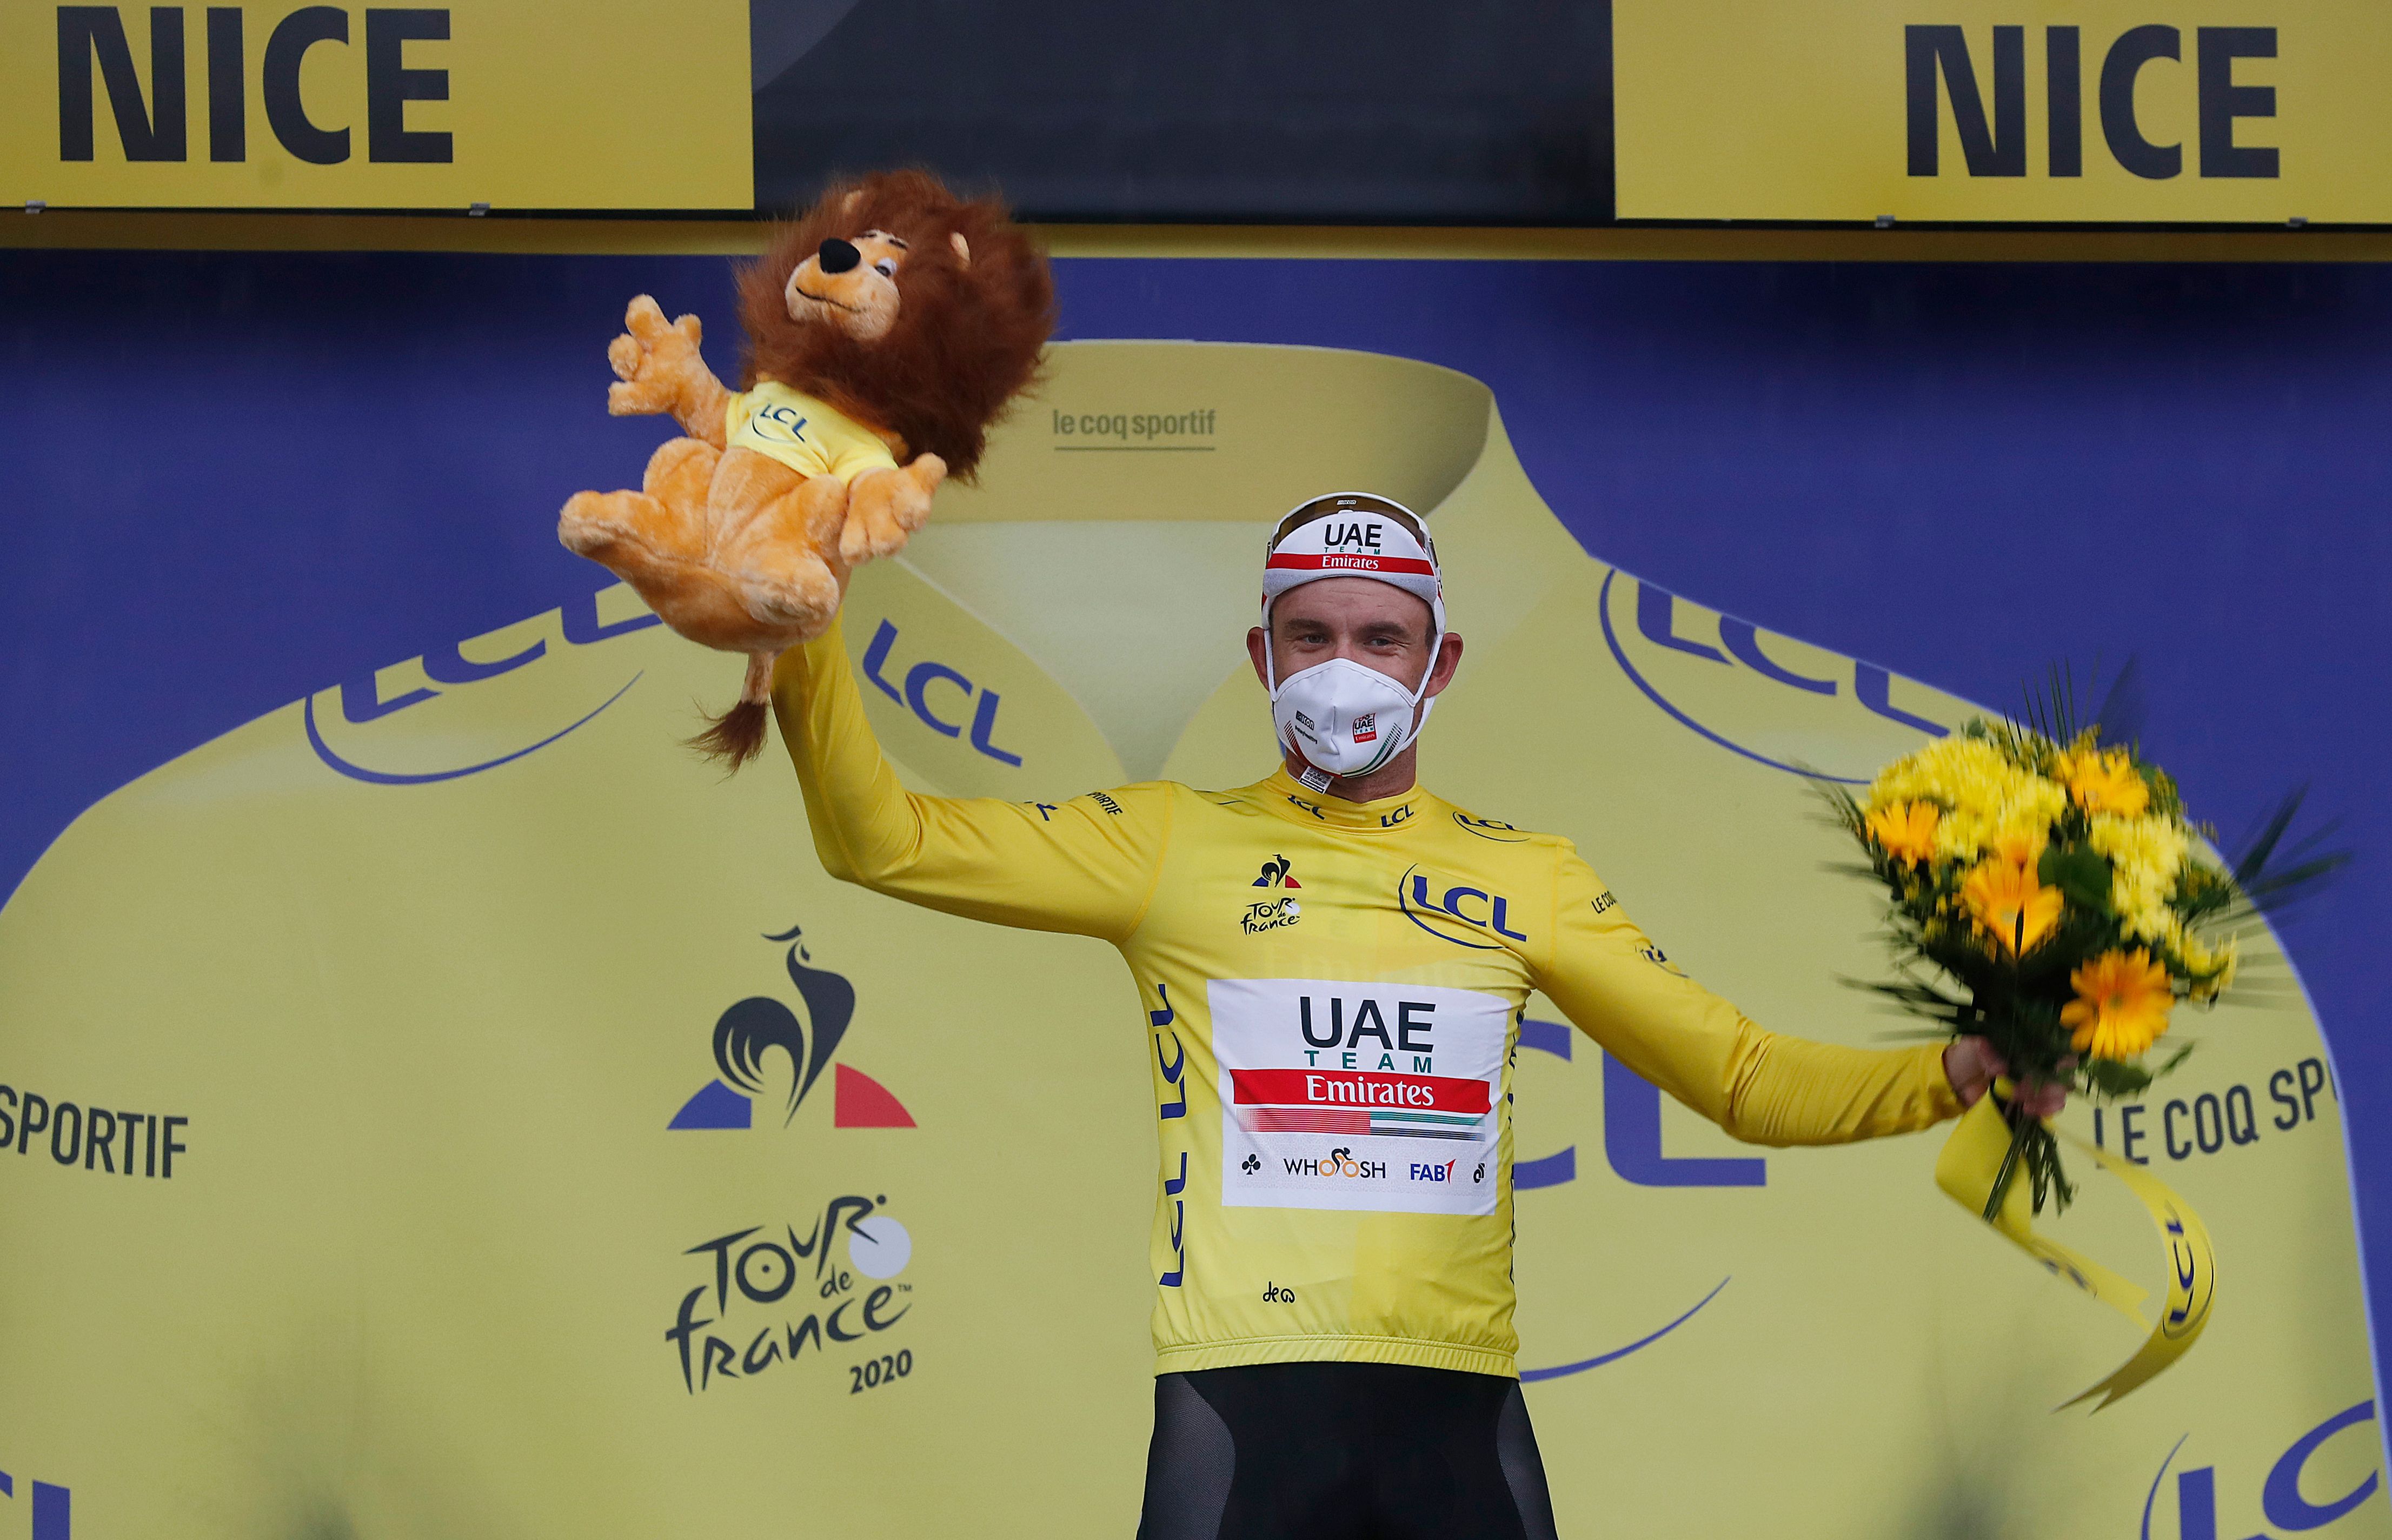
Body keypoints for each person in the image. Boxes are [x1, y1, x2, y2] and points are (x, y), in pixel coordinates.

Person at [770, 491, 2057, 1540]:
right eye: (1311, 633)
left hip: (1454, 1413)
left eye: (1379, 638)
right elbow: (880, 841)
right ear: (1261, 654)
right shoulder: (1169, 843)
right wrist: (805, 627)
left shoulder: (1526, 876)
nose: (1343, 669)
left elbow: (1745, 1078)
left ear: (1437, 661)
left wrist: (1953, 1068)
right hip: (1240, 1402)